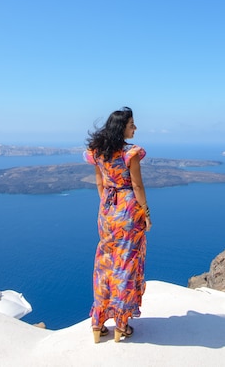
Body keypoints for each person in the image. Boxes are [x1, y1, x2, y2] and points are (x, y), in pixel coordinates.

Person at [84, 106, 151, 343]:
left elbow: (100, 184)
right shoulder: (130, 153)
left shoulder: (97, 152)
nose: (135, 128)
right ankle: (122, 324)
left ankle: (98, 323)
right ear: (121, 127)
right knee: (126, 265)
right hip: (128, 209)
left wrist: (108, 208)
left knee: (105, 263)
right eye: (132, 124)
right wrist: (146, 212)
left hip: (107, 210)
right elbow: (137, 186)